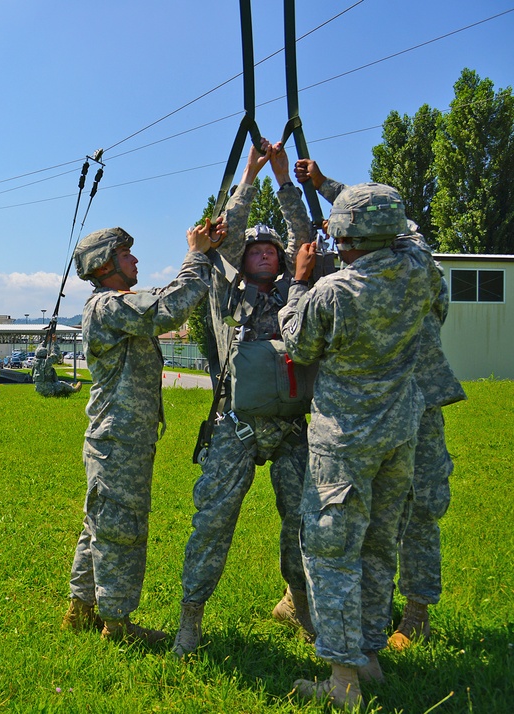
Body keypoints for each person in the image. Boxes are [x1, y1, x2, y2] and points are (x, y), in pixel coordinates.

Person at [278, 172, 444, 709]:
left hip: (344, 441)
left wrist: (299, 281)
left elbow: (299, 345)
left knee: (330, 553)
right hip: (400, 431)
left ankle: (342, 679)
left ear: (343, 238)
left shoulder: (335, 290)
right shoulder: (421, 267)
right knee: (377, 547)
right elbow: (411, 229)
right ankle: (369, 656)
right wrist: (331, 188)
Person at [296, 159, 468, 652]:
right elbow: (394, 220)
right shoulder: (415, 261)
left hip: (415, 396)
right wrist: (326, 187)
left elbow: (390, 219)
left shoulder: (383, 273)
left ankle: (415, 613)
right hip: (386, 403)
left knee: (419, 504)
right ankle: (367, 627)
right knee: (369, 523)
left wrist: (325, 188)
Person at [172, 140, 313, 656]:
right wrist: (249, 178)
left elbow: (303, 239)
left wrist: (284, 178)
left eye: (270, 250)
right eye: (255, 249)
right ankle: (191, 618)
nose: (262, 253)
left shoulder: (296, 289)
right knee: (213, 520)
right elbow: (226, 235)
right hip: (236, 425)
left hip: (294, 427)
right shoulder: (224, 290)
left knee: (304, 520)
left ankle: (299, 602)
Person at [62, 219, 221, 646]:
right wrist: (198, 254)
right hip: (119, 441)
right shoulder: (108, 306)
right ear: (105, 264)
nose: (136, 260)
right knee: (120, 530)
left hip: (118, 439)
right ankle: (116, 626)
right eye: (127, 254)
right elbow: (172, 306)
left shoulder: (112, 305)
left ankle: (79, 610)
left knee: (99, 523)